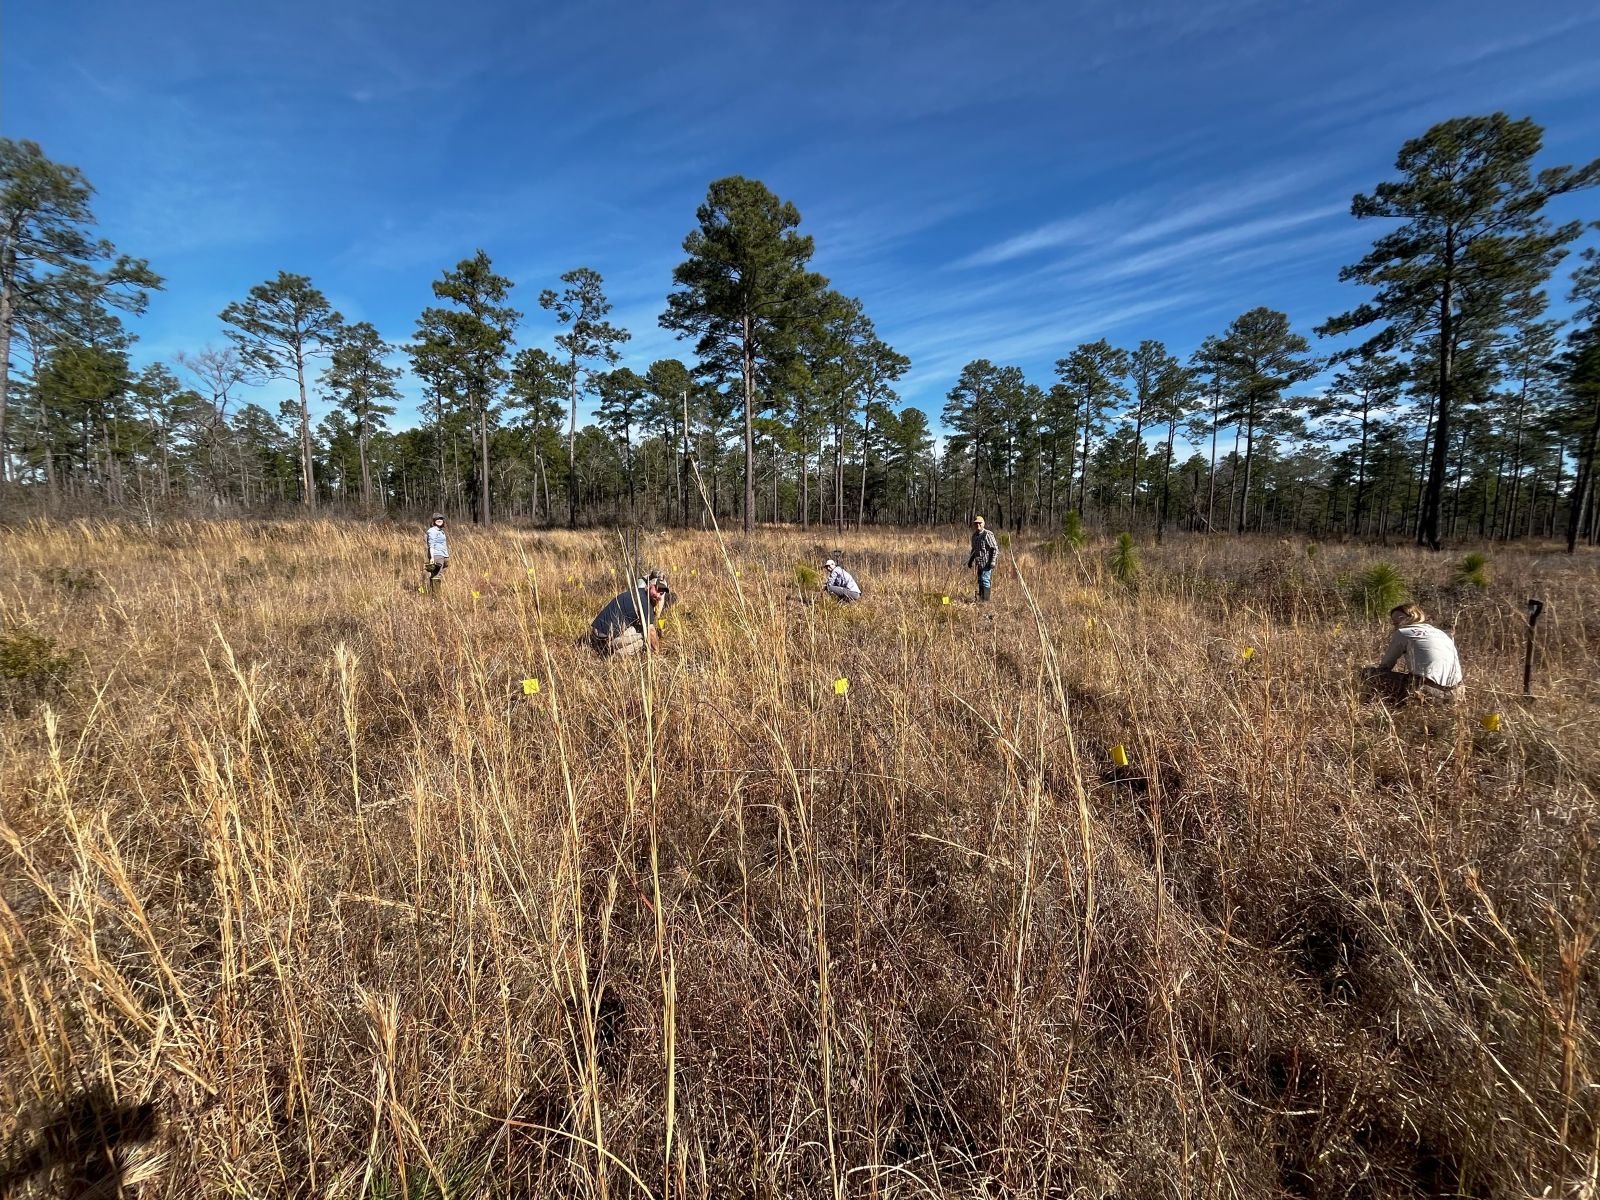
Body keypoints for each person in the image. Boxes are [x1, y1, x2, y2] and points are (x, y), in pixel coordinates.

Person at [1363, 604, 1463, 703]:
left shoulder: (1403, 632)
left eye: (1399, 618)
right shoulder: (1441, 633)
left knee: (1369, 674)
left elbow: (1385, 666)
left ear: (1413, 616)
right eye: (1394, 620)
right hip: (1457, 693)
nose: (1395, 622)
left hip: (1426, 691)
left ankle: (1374, 705)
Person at [585, 571, 673, 657]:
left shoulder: (638, 592)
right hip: (607, 637)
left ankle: (602, 648)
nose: (658, 595)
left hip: (596, 632)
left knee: (639, 628)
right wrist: (657, 653)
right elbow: (651, 632)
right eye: (657, 590)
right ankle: (615, 655)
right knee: (644, 638)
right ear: (650, 585)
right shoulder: (645, 603)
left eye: (661, 593)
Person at [967, 515, 999, 602]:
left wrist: (992, 561)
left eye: (980, 523)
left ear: (983, 524)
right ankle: (981, 599)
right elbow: (974, 550)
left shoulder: (987, 534)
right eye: (976, 523)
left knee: (985, 580)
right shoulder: (974, 536)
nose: (978, 525)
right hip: (979, 563)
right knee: (980, 580)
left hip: (987, 562)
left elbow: (995, 548)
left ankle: (985, 601)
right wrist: (970, 560)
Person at [424, 512, 449, 591]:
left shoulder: (440, 530)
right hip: (437, 555)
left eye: (441, 518)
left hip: (442, 554)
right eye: (437, 519)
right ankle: (436, 595)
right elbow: (431, 545)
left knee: (436, 573)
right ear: (434, 521)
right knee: (437, 574)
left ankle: (431, 590)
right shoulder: (432, 531)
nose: (439, 520)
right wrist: (432, 557)